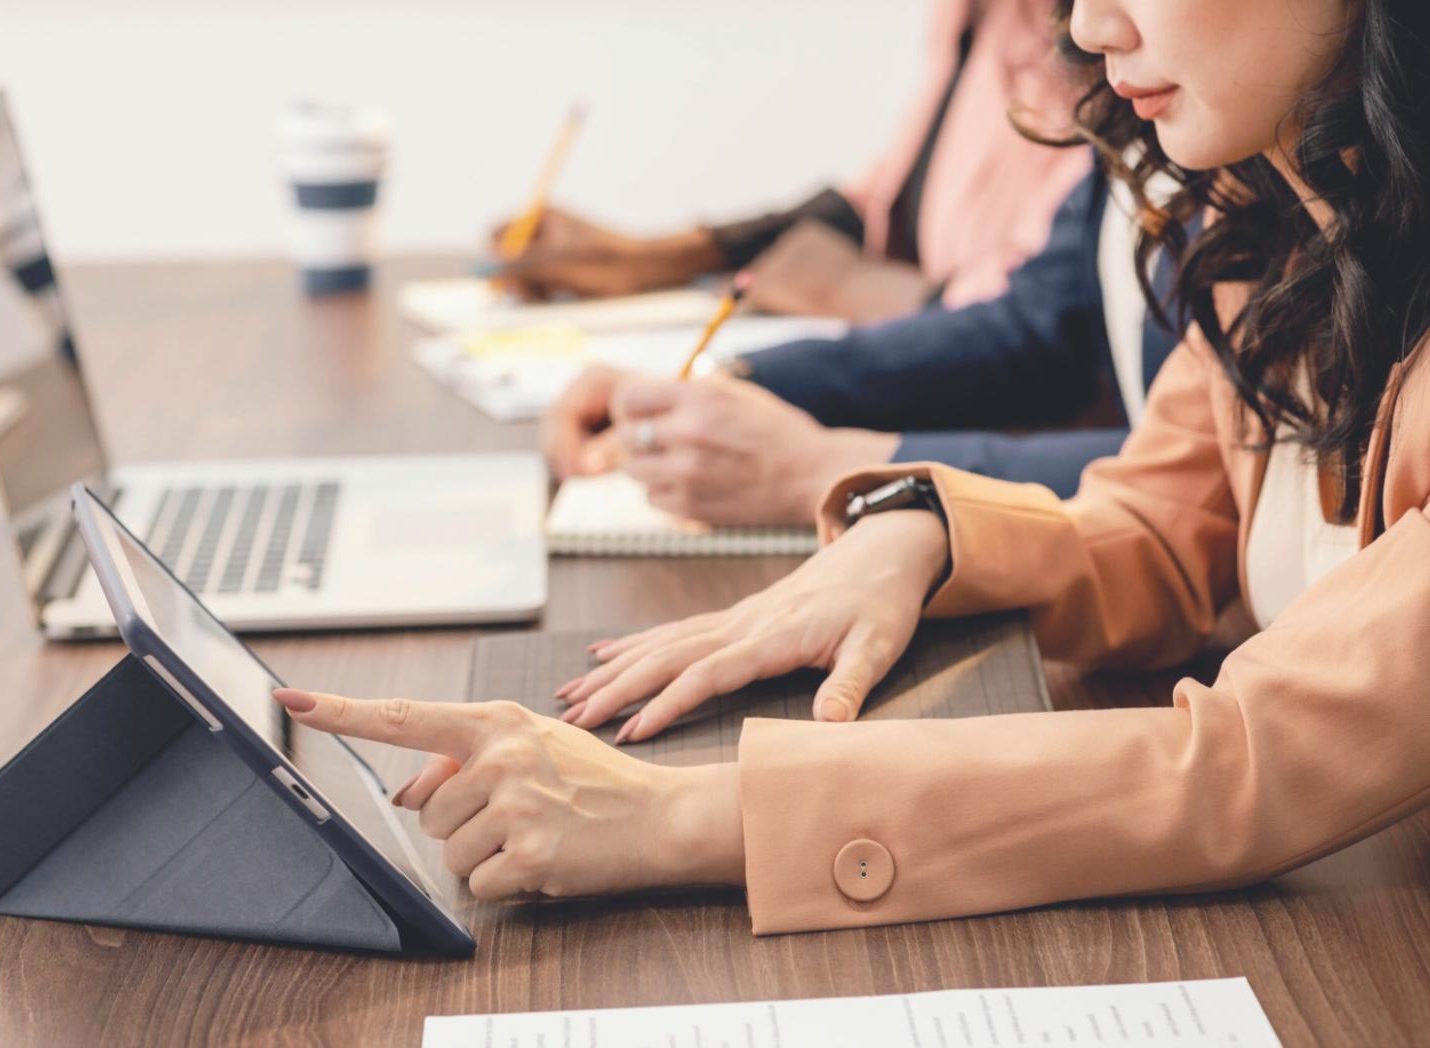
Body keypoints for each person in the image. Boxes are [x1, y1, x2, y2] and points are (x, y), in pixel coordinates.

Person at [278, 0, 1430, 933]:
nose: (1086, 27)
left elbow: (1252, 759)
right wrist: (914, 531)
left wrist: (682, 815)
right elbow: (1168, 531)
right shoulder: (1277, 230)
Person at [543, 164, 1193, 519]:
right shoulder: (1131, 124)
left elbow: (1204, 478)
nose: (1087, 27)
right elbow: (1033, 330)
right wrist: (732, 383)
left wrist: (830, 470)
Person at [494, 0, 1090, 324]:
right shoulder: (968, 14)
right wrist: (664, 256)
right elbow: (883, 201)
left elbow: (1051, 315)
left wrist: (859, 288)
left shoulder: (1094, 41)